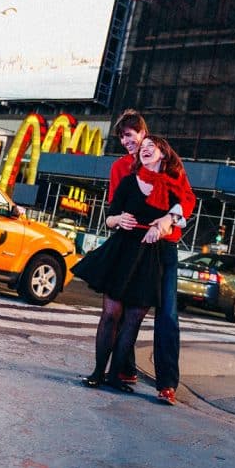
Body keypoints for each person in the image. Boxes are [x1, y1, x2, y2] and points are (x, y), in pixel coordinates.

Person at [73, 136, 189, 397]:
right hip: (123, 249)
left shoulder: (173, 188)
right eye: (143, 148)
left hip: (152, 256)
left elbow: (182, 214)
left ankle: (116, 376)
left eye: (152, 147)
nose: (145, 150)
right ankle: (97, 373)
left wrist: (162, 225)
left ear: (163, 154)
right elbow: (109, 217)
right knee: (111, 314)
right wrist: (118, 218)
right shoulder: (128, 181)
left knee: (133, 320)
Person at [107, 110, 195, 405]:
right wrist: (119, 219)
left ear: (144, 134)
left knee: (167, 312)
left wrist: (168, 220)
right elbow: (113, 207)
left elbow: (187, 199)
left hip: (164, 246)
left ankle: (167, 382)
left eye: (130, 135)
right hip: (130, 244)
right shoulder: (120, 167)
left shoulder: (168, 164)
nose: (126, 142)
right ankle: (124, 368)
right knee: (122, 308)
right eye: (121, 137)